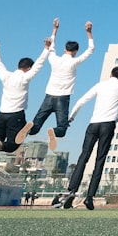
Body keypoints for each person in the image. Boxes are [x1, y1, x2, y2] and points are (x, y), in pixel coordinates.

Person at [54, 42, 118, 210]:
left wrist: (70, 118)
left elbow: (82, 100)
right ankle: (90, 197)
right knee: (100, 160)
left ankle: (72, 190)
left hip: (93, 124)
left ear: (110, 74)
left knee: (83, 157)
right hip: (108, 125)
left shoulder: (101, 85)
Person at [26, 19, 95, 151]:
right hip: (62, 99)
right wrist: (89, 32)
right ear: (75, 51)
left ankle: (29, 128)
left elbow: (51, 48)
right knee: (62, 129)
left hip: (49, 97)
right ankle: (54, 130)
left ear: (64, 49)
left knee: (35, 127)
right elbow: (91, 49)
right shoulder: (74, 62)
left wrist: (54, 30)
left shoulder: (54, 60)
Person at [0, 37, 50, 155]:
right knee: (14, 144)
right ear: (29, 68)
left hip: (1, 115)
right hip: (16, 115)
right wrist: (46, 49)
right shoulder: (25, 78)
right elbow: (39, 64)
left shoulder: (6, 76)